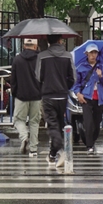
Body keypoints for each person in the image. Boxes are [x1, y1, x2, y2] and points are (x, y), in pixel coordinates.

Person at [36, 34, 75, 169]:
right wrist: (64, 87)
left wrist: (45, 87)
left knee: (53, 125)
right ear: (60, 40)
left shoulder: (42, 56)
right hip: (62, 96)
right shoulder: (68, 56)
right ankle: (52, 154)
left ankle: (59, 147)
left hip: (48, 95)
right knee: (59, 124)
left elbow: (38, 76)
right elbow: (73, 77)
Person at [71, 43, 103, 154]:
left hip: (100, 99)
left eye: (95, 53)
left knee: (96, 124)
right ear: (87, 54)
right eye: (91, 53)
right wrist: (78, 94)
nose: (93, 55)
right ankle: (89, 146)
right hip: (87, 98)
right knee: (88, 123)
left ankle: (91, 141)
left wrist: (101, 76)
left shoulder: (102, 67)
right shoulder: (81, 67)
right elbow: (76, 84)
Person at [10, 39, 42, 157]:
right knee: (34, 122)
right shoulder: (40, 59)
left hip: (21, 95)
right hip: (37, 95)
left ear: (24, 46)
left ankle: (24, 137)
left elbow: (13, 79)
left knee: (18, 120)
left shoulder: (17, 59)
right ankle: (33, 149)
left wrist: (14, 93)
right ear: (35, 46)